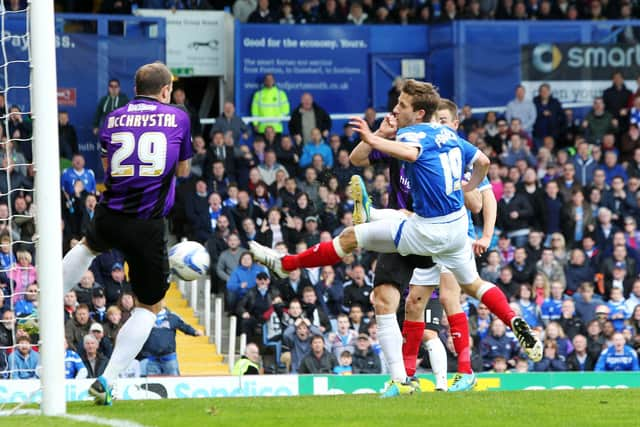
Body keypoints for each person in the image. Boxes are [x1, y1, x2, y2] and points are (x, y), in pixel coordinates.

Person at [250, 79, 541, 395]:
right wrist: (465, 187)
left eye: (401, 105)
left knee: (352, 237)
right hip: (456, 229)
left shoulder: (412, 134)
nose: (395, 108)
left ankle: (290, 262)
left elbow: (410, 153)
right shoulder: (448, 134)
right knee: (471, 285)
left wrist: (373, 138)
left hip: (424, 231)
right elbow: (483, 162)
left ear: (417, 112)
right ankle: (513, 321)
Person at [61, 62, 192, 406]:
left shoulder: (114, 117)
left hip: (112, 211)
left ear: (135, 89)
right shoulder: (178, 116)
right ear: (165, 91)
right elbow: (182, 168)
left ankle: (47, 298)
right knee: (150, 306)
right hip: (148, 223)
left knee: (89, 246)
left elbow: (107, 168)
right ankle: (107, 379)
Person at [139, 307, 203, 376]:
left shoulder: (172, 316)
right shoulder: (145, 317)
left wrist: (194, 332)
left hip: (169, 359)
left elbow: (184, 326)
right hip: (151, 359)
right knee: (153, 384)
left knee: (173, 382)